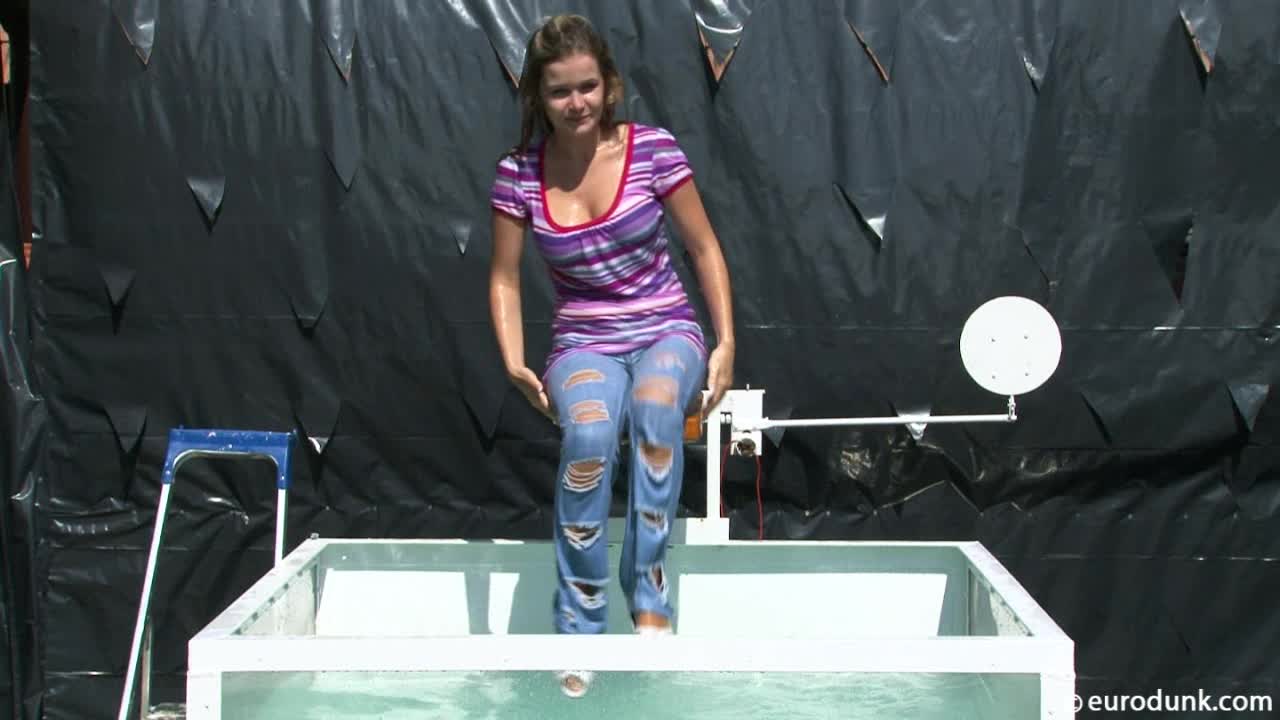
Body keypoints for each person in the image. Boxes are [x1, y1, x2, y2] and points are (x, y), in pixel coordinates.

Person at [488, 13, 735, 696]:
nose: (577, 103)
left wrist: (726, 342)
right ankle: (578, 625)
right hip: (583, 340)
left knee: (656, 416)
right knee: (590, 438)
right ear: (538, 97)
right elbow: (504, 277)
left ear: (610, 85)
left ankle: (648, 591)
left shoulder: (652, 150)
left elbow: (704, 247)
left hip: (666, 329)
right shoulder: (518, 175)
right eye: (560, 91)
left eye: (587, 87)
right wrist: (513, 359)